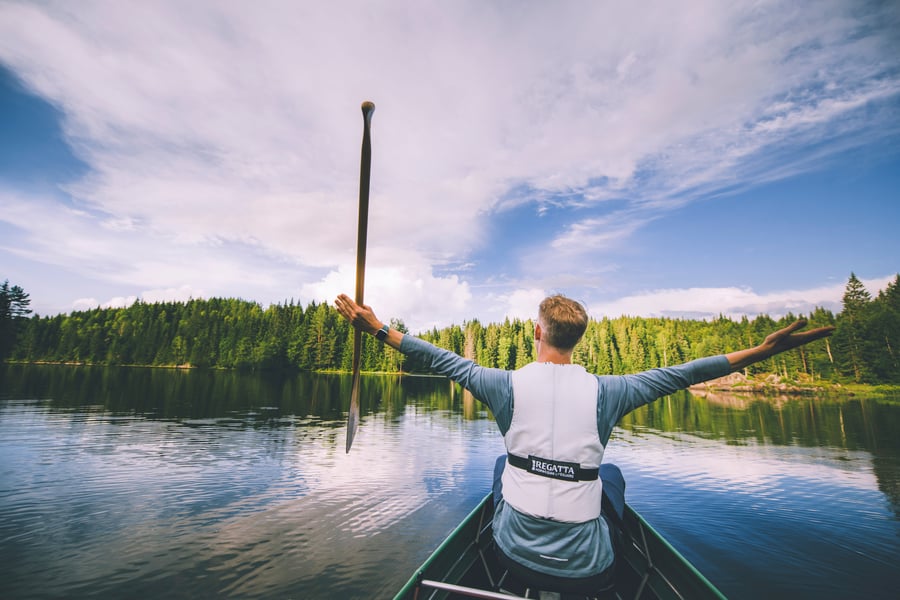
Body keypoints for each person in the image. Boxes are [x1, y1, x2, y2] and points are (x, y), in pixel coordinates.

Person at [333, 292, 834, 592]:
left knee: (501, 469)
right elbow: (684, 374)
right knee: (610, 474)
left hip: (510, 554)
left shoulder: (502, 384)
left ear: (536, 332)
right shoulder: (611, 391)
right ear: (578, 340)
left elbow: (440, 359)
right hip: (591, 569)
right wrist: (759, 352)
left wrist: (377, 328)